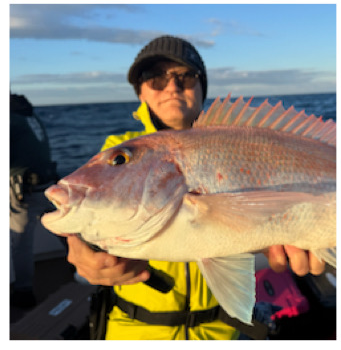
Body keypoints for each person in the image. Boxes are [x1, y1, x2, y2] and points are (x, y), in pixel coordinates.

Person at [64, 35, 323, 340]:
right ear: (140, 92)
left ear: (202, 87)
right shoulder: (120, 149)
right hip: (135, 329)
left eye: (185, 76)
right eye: (156, 78)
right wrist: (86, 246)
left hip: (222, 330)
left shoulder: (242, 137)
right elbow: (100, 208)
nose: (172, 87)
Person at [10, 93, 59, 310]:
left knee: (21, 243)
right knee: (66, 232)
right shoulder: (31, 117)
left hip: (24, 190)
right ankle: (81, 271)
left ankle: (23, 292)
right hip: (47, 184)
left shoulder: (11, 121)